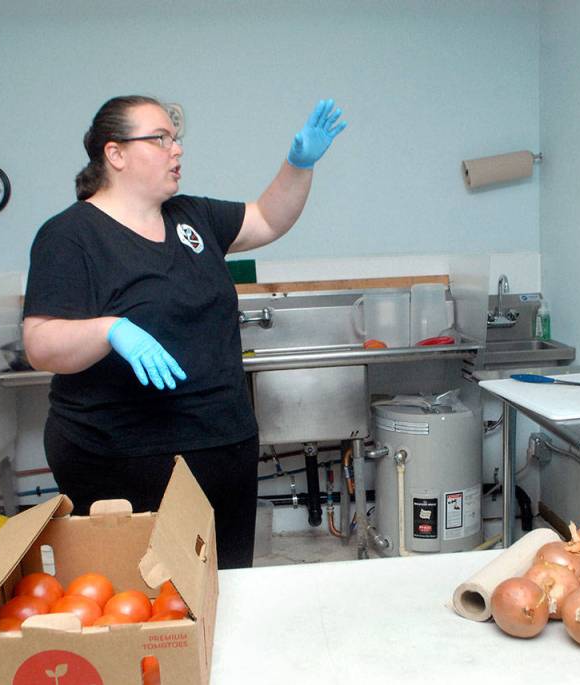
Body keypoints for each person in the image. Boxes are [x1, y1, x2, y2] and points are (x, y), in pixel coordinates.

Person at [22, 95, 346, 569]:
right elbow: (40, 343)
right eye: (159, 139)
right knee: (144, 601)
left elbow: (267, 218)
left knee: (225, 584)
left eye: (176, 139)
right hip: (121, 456)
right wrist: (110, 330)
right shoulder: (70, 236)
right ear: (116, 154)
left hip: (222, 444)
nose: (176, 150)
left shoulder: (192, 217)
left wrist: (298, 165)